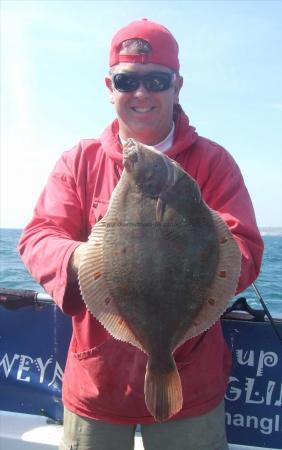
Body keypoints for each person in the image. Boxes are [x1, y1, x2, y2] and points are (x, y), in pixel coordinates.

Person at [18, 19, 264, 450]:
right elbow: (39, 236)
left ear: (177, 86)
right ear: (109, 87)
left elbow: (244, 249)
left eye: (156, 80)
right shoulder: (80, 161)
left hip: (190, 386)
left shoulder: (214, 163)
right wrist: (86, 260)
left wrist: (206, 249)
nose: (141, 93)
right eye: (127, 80)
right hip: (97, 385)